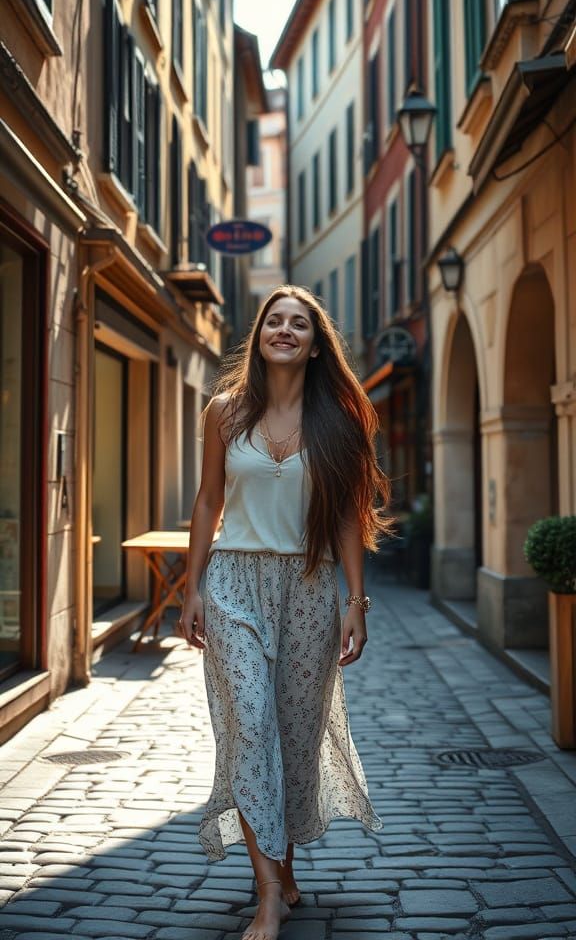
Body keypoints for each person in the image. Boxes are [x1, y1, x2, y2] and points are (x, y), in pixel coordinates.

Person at [178, 285, 392, 940]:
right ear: (260, 332)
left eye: (300, 323)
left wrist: (355, 603)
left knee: (295, 738)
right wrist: (192, 589)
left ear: (315, 341)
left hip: (309, 586)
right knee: (251, 726)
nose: (286, 330)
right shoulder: (225, 409)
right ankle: (268, 893)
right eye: (276, 320)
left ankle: (283, 868)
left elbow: (353, 519)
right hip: (235, 582)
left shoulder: (339, 420)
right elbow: (208, 500)